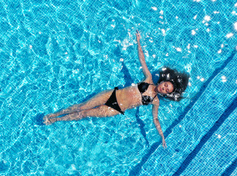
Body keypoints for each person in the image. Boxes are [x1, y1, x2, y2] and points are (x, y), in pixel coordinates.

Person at [44, 31, 190, 148]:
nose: (164, 88)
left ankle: (56, 120)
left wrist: (162, 136)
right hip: (112, 95)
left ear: (166, 94)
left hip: (115, 109)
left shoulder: (155, 101)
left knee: (84, 114)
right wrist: (138, 41)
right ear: (163, 80)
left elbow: (155, 119)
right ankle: (54, 114)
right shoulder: (148, 78)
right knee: (82, 106)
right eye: (166, 85)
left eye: (166, 90)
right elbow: (142, 60)